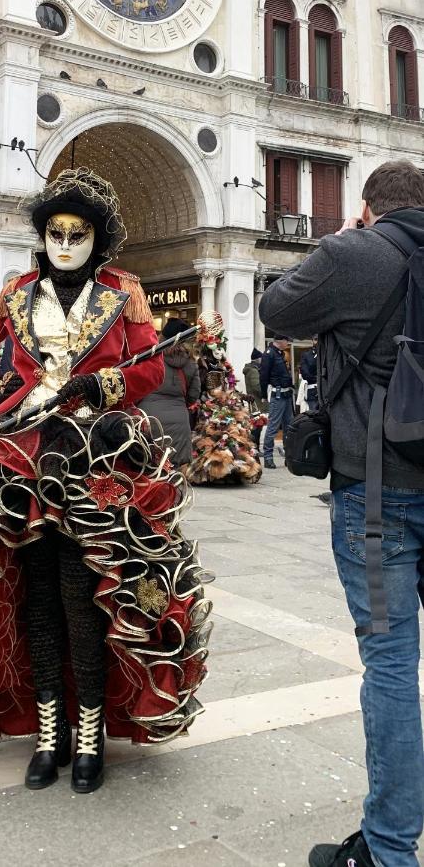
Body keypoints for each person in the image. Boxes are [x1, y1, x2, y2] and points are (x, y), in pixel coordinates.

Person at [0, 167, 211, 795]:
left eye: (78, 233)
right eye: (55, 232)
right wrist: (0, 397)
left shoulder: (124, 292)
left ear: (98, 239)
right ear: (42, 237)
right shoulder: (14, 293)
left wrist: (99, 385)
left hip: (98, 456)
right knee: (35, 595)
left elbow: (149, 365)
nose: (65, 243)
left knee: (85, 597)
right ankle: (51, 734)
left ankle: (91, 733)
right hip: (17, 456)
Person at [260, 159, 424, 867]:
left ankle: (388, 851)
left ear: (368, 207)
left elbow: (276, 310)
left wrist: (349, 239)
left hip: (378, 496)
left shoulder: (353, 252)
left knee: (390, 665)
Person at [139, 317, 201, 471]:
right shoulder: (191, 362)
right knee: (176, 470)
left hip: (150, 418)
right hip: (180, 420)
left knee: (149, 468)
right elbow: (194, 394)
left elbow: (137, 386)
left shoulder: (150, 357)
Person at [259, 334, 294, 469]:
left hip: (286, 394)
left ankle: (289, 456)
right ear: (280, 341)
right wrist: (263, 394)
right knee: (273, 426)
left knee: (289, 426)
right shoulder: (269, 354)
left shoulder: (279, 353)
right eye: (287, 341)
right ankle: (268, 457)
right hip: (277, 395)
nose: (288, 343)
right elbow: (263, 376)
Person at [243, 347, 267, 449]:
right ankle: (254, 448)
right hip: (256, 403)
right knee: (257, 427)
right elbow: (257, 387)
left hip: (255, 402)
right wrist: (266, 393)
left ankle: (254, 447)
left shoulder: (253, 370)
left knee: (257, 426)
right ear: (258, 359)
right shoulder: (254, 371)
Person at [299, 335, 319, 411]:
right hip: (313, 389)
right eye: (316, 339)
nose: (317, 342)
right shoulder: (306, 355)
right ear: (312, 341)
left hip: (326, 389)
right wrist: (318, 379)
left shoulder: (327, 354)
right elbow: (305, 373)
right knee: (314, 415)